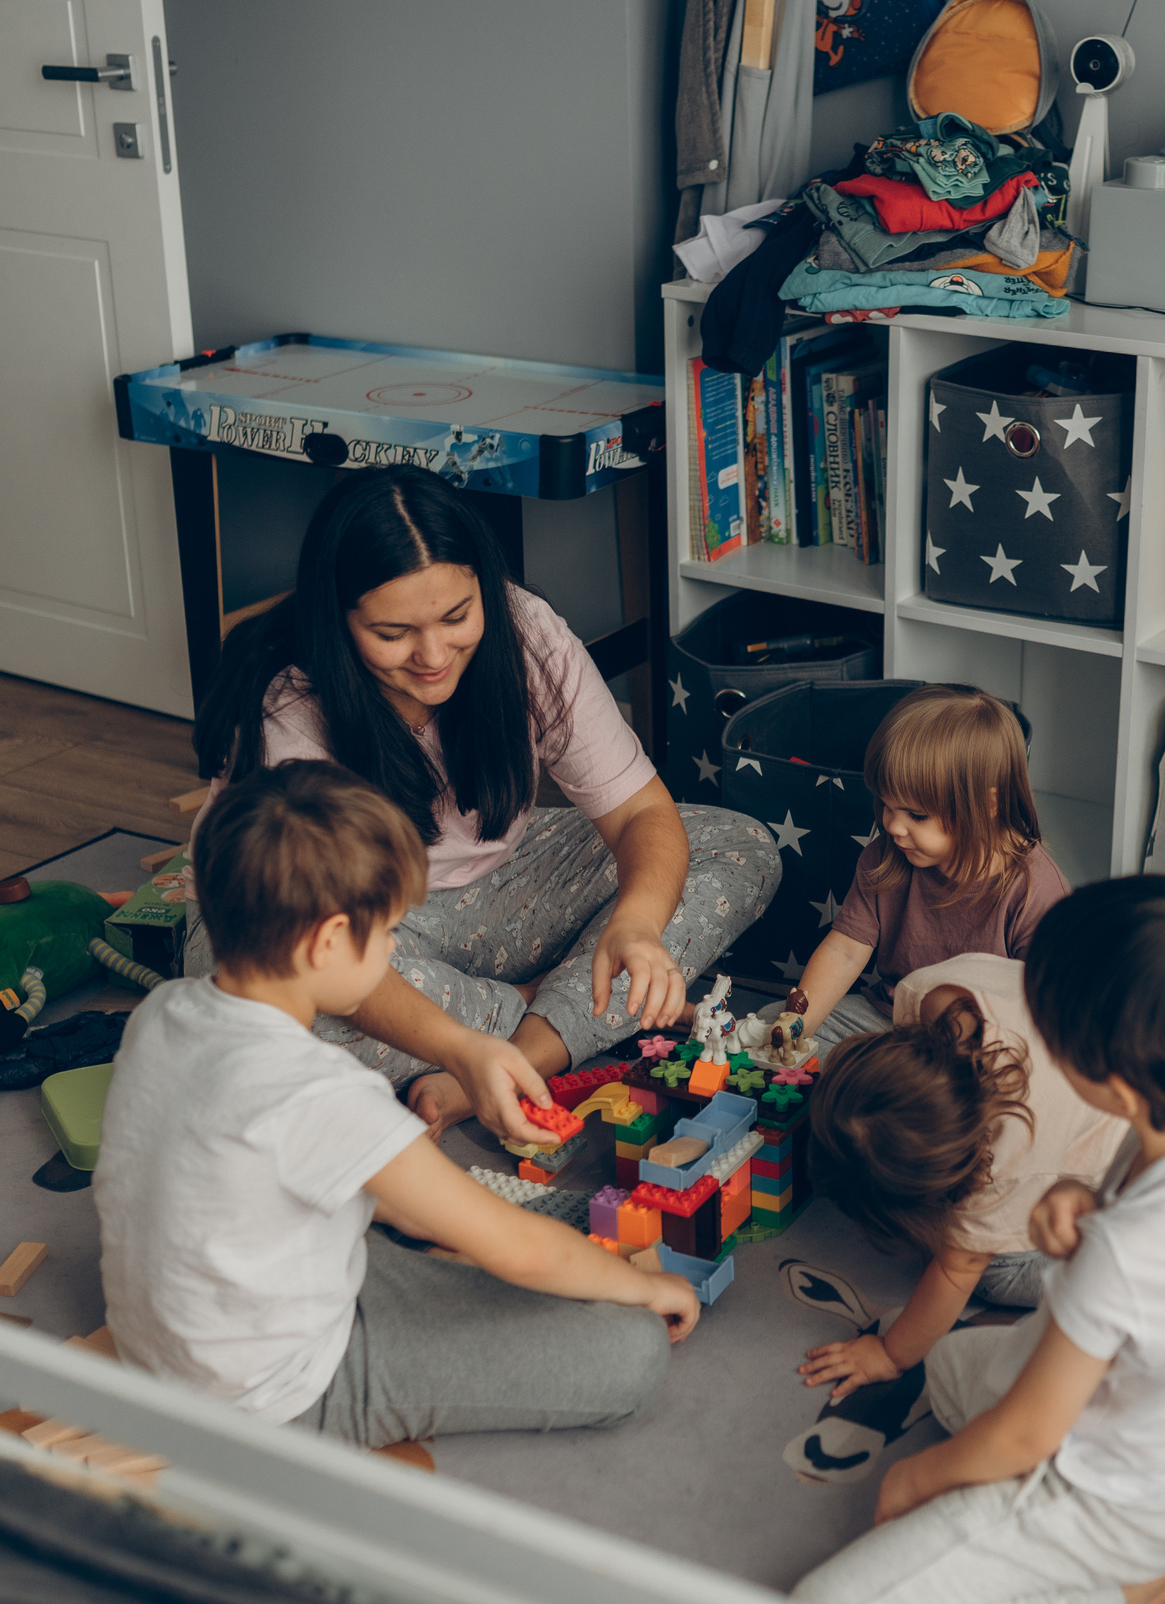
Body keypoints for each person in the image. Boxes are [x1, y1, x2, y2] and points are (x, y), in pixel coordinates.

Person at [96, 761, 698, 1446]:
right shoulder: (322, 1090)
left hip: (168, 1339)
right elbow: (524, 1251)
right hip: (273, 1394)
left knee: (412, 1219)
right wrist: (647, 1291)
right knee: (631, 1350)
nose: (390, 952)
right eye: (385, 934)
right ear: (327, 942)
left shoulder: (164, 1010)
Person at [789, 877, 1165, 1604]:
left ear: (1119, 1083)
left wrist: (918, 1479)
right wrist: (1083, 1199)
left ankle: (1116, 1591)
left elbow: (1029, 1434)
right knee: (953, 1368)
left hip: (1116, 1504)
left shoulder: (1132, 1254)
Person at [192, 464, 777, 1140]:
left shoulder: (525, 632)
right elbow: (302, 940)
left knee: (735, 847)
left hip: (502, 891)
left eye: (456, 616)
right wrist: (463, 1036)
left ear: (484, 589)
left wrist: (638, 926)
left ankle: (508, 1058)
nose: (433, 653)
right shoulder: (288, 707)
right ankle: (535, 1021)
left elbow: (641, 812)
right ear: (337, 617)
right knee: (265, 1007)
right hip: (336, 920)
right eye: (392, 634)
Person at [782, 952, 1131, 1479]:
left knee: (993, 1271)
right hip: (1102, 1030)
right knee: (811, 1051)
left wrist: (891, 1354)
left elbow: (956, 1268)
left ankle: (1126, 1268)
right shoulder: (932, 993)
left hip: (1127, 1167)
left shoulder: (1014, 1157)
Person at [755, 685, 1067, 1055]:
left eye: (917, 815)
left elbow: (1046, 1013)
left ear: (986, 805)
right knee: (769, 1022)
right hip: (892, 1021)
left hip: (981, 1044)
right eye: (887, 805)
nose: (894, 826)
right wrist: (798, 1023)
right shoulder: (885, 858)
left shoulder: (1036, 888)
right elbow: (845, 953)